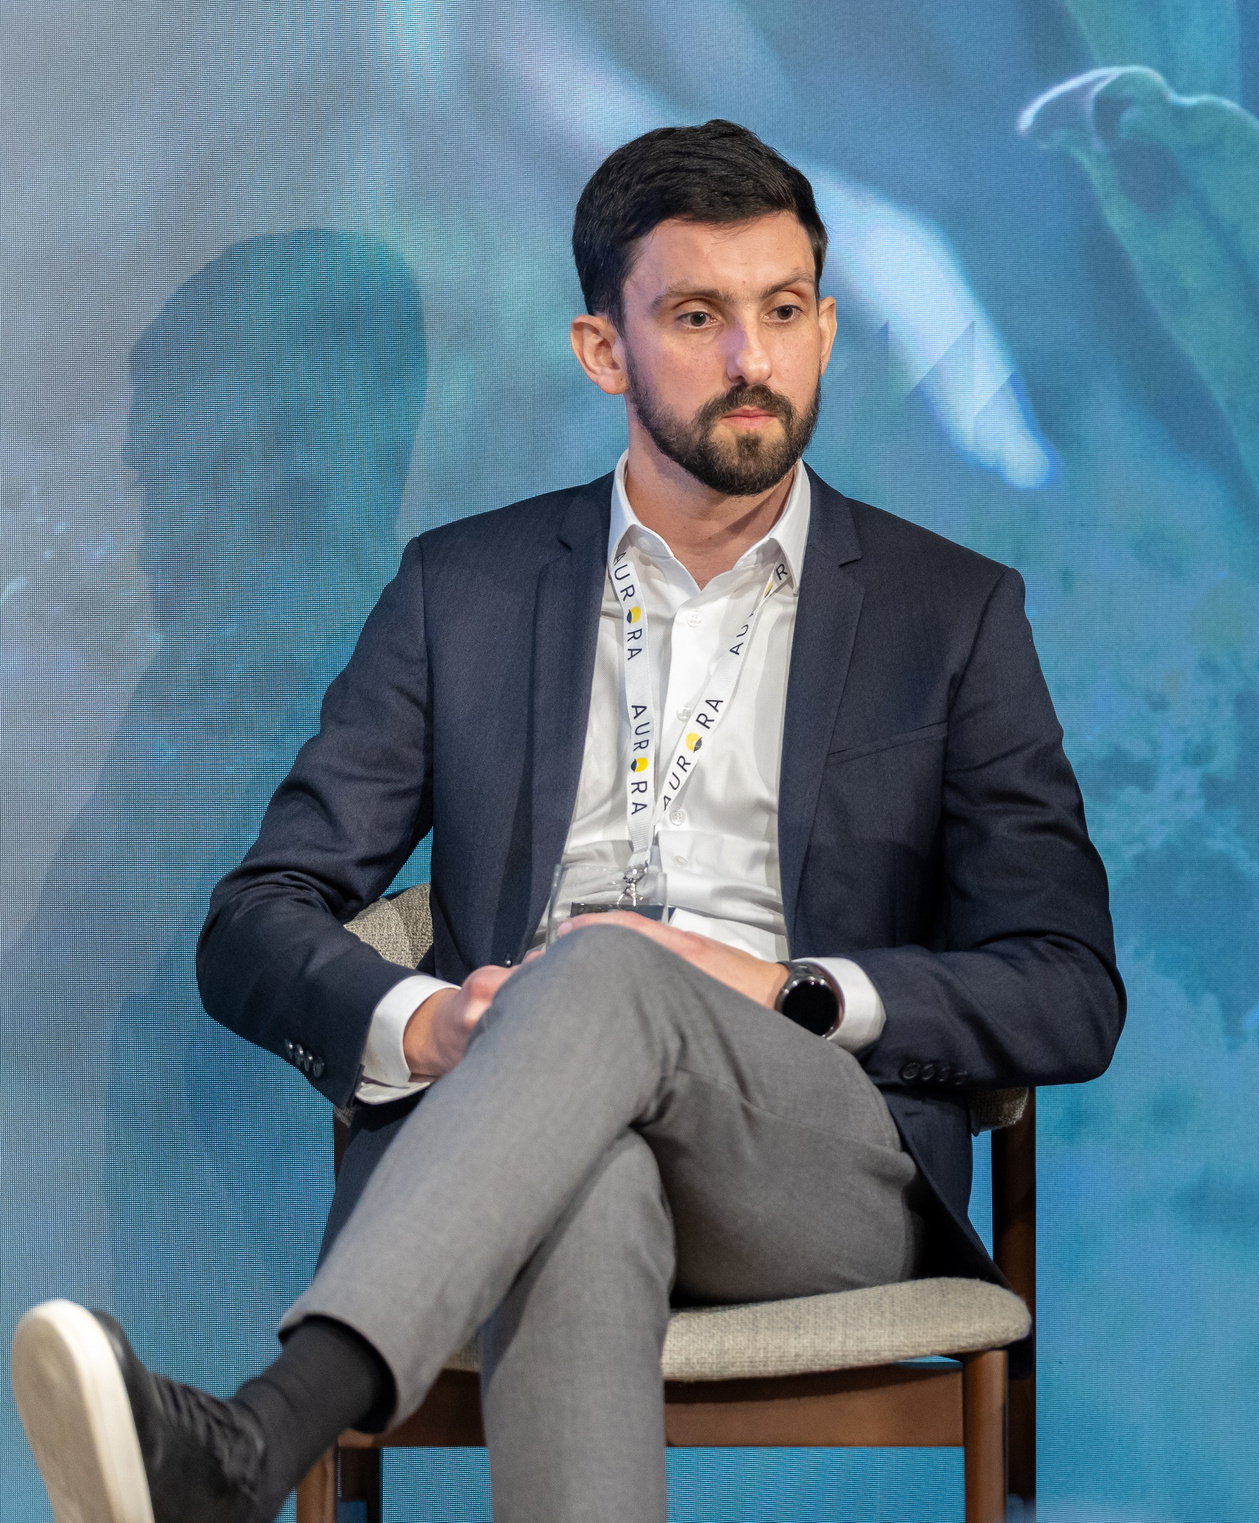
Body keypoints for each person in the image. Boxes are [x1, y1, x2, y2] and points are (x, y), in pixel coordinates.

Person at [11, 120, 1121, 1523]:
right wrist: (432, 1028)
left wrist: (788, 988)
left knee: (609, 962)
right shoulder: (462, 592)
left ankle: (254, 1438)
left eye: (783, 314)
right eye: (697, 317)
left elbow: (1071, 991)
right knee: (586, 1183)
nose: (750, 363)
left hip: (817, 1168)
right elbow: (254, 924)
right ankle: (247, 1449)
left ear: (829, 326)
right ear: (603, 350)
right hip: (517, 1139)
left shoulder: (948, 614)